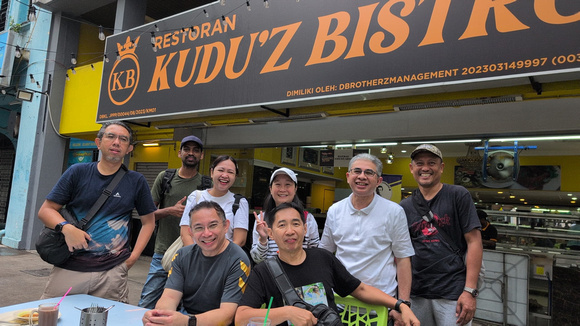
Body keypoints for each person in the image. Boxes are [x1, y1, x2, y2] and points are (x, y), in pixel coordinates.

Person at [236, 202, 420, 326]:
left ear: (305, 228)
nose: (290, 231)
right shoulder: (263, 272)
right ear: (270, 233)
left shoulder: (323, 258)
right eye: (282, 225)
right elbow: (241, 317)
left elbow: (360, 289)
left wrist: (401, 305)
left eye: (296, 224)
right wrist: (287, 313)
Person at [37, 121, 157, 302]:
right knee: (53, 318)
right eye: (111, 136)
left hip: (112, 272)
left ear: (129, 148)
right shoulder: (77, 172)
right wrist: (67, 228)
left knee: (109, 320)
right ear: (98, 142)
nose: (116, 142)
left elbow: (149, 222)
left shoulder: (136, 181)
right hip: (69, 266)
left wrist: (131, 259)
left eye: (123, 139)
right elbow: (46, 210)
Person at [320, 153, 414, 324]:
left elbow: (403, 260)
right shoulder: (335, 210)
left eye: (369, 173)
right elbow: (324, 255)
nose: (362, 176)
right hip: (340, 304)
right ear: (348, 177)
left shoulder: (394, 212)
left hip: (380, 307)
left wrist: (402, 304)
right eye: (357, 171)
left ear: (379, 181)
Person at [399, 144, 483, 326]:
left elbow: (474, 241)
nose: (425, 168)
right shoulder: (404, 207)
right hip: (417, 293)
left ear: (441, 167)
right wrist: (401, 300)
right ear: (412, 168)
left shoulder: (458, 195)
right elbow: (401, 254)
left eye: (432, 163)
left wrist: (470, 291)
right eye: (419, 163)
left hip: (453, 292)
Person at [142, 201, 251, 326]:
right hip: (185, 317)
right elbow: (170, 297)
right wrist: (160, 316)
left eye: (213, 225)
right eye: (199, 227)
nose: (207, 233)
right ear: (191, 232)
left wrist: (187, 321)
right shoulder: (182, 256)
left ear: (226, 226)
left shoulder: (238, 260)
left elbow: (227, 315)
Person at [138, 135, 205, 308]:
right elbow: (147, 215)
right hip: (163, 251)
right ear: (179, 153)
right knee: (148, 301)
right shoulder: (165, 177)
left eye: (196, 150)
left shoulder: (206, 184)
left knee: (186, 306)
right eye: (187, 149)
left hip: (193, 255)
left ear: (201, 155)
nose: (191, 153)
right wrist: (170, 210)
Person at [251, 167, 320, 264]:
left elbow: (316, 253)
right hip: (271, 275)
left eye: (288, 184)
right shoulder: (261, 220)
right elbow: (257, 259)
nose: (283, 189)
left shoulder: (307, 219)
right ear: (271, 189)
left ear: (295, 188)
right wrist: (263, 240)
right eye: (278, 184)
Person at [179, 155, 249, 247]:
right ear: (212, 172)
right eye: (221, 170)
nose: (225, 175)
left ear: (235, 177)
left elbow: (240, 241)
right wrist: (195, 257)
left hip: (225, 259)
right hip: (196, 257)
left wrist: (220, 258)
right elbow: (185, 233)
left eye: (230, 172)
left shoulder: (240, 202)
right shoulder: (196, 196)